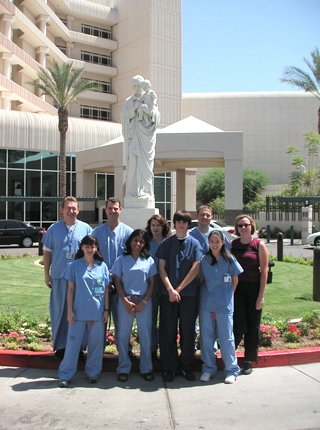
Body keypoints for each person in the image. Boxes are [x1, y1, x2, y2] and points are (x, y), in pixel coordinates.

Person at [42, 196, 92, 358]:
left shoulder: (86, 229)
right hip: (59, 277)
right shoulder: (53, 229)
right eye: (68, 208)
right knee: (60, 312)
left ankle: (78, 348)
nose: (71, 211)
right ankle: (61, 347)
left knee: (79, 313)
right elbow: (47, 252)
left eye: (74, 208)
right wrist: (46, 275)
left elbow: (92, 253)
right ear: (62, 210)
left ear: (78, 210)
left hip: (80, 280)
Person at [156, 210, 202, 382]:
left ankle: (186, 366)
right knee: (168, 330)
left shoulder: (195, 244)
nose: (181, 224)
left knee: (188, 331)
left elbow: (196, 267)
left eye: (184, 222)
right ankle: (169, 367)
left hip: (188, 295)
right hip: (168, 295)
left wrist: (179, 289)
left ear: (188, 224)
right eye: (178, 221)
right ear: (174, 223)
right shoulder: (167, 244)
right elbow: (161, 268)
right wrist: (170, 289)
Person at [58, 235, 110, 387]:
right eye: (87, 246)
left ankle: (93, 373)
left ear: (96, 248)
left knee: (95, 345)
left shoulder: (102, 266)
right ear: (82, 248)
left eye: (92, 246)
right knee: (72, 345)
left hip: (97, 313)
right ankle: (65, 375)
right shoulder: (74, 266)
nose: (89, 249)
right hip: (78, 313)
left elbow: (106, 290)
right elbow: (70, 290)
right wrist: (70, 311)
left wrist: (106, 310)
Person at [111, 229, 157, 382]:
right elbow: (117, 282)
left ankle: (146, 368)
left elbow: (152, 283)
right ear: (130, 241)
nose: (138, 244)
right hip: (126, 301)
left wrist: (144, 302)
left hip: (144, 302)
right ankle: (123, 367)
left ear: (145, 244)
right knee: (123, 335)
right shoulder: (121, 260)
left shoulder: (149, 260)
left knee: (145, 336)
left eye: (141, 241)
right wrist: (124, 301)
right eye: (135, 240)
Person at [199, 230, 243, 384]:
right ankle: (208, 369)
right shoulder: (204, 260)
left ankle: (231, 370)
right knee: (207, 338)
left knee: (226, 338)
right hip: (207, 304)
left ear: (223, 242)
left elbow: (235, 281)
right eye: (212, 242)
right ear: (208, 243)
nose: (215, 245)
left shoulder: (230, 260)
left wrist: (226, 298)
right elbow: (202, 280)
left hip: (224, 304)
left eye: (217, 241)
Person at [91, 198, 134, 358]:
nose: (112, 211)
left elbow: (131, 259)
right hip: (100, 285)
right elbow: (92, 257)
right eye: (110, 208)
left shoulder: (128, 233)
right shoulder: (97, 232)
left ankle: (125, 354)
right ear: (105, 210)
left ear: (120, 210)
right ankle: (96, 356)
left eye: (115, 208)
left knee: (122, 322)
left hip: (122, 286)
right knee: (99, 321)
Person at [231, 214, 269, 375]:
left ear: (251, 226)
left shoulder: (259, 245)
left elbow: (264, 271)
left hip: (253, 289)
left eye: (246, 225)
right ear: (237, 228)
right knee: (238, 324)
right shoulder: (232, 245)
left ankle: (248, 361)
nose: (243, 228)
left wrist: (261, 296)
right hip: (236, 289)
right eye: (240, 225)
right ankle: (230, 356)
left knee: (253, 326)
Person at [120, 75, 161, 199]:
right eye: (135, 86)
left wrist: (148, 111)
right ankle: (132, 192)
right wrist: (134, 109)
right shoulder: (129, 101)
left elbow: (156, 115)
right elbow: (123, 116)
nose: (137, 88)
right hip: (133, 137)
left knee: (146, 164)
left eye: (139, 85)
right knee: (133, 163)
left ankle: (146, 191)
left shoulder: (149, 97)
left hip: (146, 137)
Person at [145, 214, 171, 361]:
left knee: (166, 320)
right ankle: (152, 349)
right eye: (153, 225)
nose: (155, 228)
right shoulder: (146, 243)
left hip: (166, 285)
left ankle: (166, 350)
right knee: (151, 320)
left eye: (158, 225)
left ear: (163, 227)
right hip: (150, 285)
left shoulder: (169, 242)